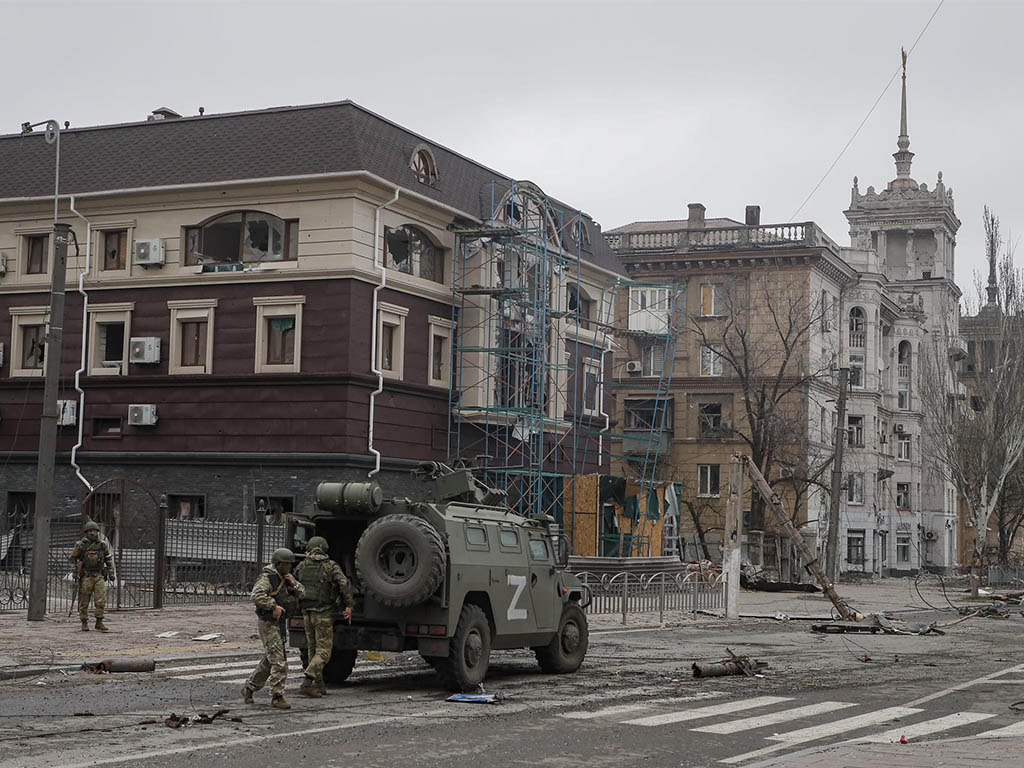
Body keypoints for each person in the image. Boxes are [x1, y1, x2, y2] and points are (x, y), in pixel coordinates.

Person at [242, 548, 305, 710]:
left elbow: (303, 593)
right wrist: (273, 606)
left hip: (280, 623)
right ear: (278, 564)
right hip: (268, 623)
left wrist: (293, 583)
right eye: (286, 564)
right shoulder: (268, 577)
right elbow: (256, 595)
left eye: (290, 564)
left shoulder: (286, 577)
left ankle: (250, 687)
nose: (289, 567)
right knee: (279, 661)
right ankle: (277, 696)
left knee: (270, 660)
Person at [294, 536, 354, 697]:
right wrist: (348, 605)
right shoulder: (330, 566)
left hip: (307, 613)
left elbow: (294, 583)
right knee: (324, 652)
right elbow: (343, 584)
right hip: (323, 613)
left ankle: (319, 686)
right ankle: (307, 682)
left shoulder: (302, 566)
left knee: (312, 650)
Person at [69, 521, 114, 632]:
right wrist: (74, 571)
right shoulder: (80, 545)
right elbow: (73, 558)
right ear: (86, 532)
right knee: (84, 600)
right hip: (86, 576)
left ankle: (99, 621)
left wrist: (111, 573)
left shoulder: (102, 545)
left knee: (101, 600)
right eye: (90, 531)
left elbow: (108, 559)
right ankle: (84, 621)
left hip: (99, 576)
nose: (92, 533)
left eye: (94, 531)